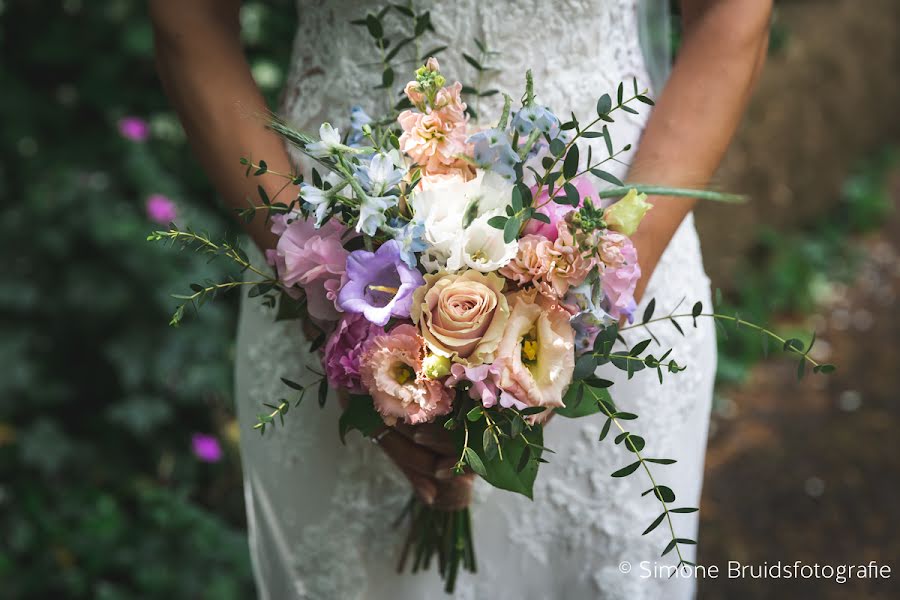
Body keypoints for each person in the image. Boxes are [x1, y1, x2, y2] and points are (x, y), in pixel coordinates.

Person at [150, 1, 771, 597]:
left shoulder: (601, 287)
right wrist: (328, 302)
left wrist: (588, 296)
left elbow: (732, 12)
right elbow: (188, 18)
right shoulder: (326, 285)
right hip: (327, 243)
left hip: (612, 249)